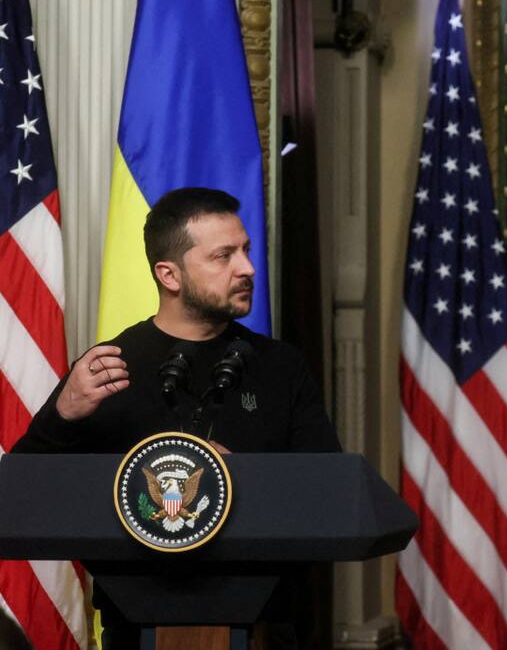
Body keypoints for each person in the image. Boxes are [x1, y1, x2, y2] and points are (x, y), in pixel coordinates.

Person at [13, 186, 340, 648]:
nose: (247, 268)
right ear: (170, 274)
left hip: (265, 622)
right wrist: (63, 415)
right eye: (223, 256)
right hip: (135, 621)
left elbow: (328, 492)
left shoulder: (280, 367)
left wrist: (243, 478)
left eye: (245, 251)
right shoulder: (109, 367)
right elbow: (21, 495)